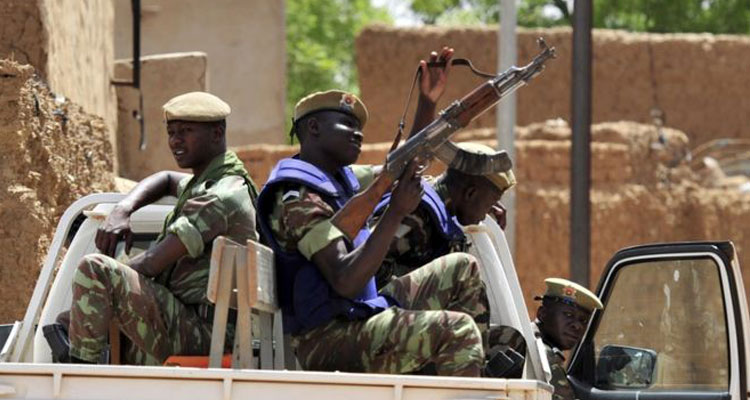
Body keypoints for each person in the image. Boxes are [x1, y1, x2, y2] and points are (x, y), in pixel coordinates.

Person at [256, 48, 495, 377]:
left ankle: (467, 371)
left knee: (463, 268)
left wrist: (427, 102)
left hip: (357, 314)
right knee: (458, 330)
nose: (359, 133)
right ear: (313, 128)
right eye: (346, 124)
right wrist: (395, 213)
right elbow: (345, 281)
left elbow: (402, 165)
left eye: (359, 126)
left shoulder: (340, 180)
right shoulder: (297, 198)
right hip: (329, 339)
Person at [59, 91, 259, 365]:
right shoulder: (209, 183)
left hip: (206, 333)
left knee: (96, 269)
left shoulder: (219, 196)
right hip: (199, 325)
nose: (175, 140)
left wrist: (91, 300)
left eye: (186, 131)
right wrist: (123, 209)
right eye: (171, 132)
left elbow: (152, 263)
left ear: (217, 133)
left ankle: (78, 377)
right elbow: (165, 179)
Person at [373, 142, 515, 289]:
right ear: (470, 193)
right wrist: (432, 280)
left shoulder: (437, 200)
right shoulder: (417, 213)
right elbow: (370, 267)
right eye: (490, 203)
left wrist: (481, 203)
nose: (485, 216)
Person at [533, 278, 604, 400]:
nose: (577, 326)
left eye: (583, 320)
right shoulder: (541, 352)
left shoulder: (531, 340)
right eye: (568, 315)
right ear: (542, 314)